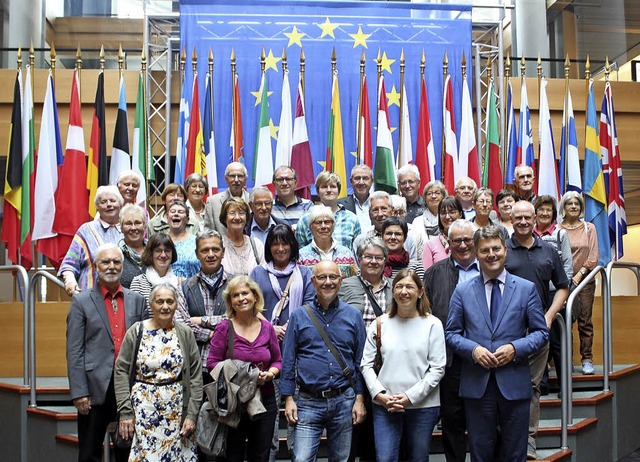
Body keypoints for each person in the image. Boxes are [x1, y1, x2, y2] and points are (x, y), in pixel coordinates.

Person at [445, 226, 549, 462]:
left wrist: (515, 349)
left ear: (505, 251)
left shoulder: (525, 289)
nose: (491, 254)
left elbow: (541, 333)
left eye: (496, 248)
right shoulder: (462, 291)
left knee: (515, 454)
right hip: (477, 386)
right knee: (481, 454)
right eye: (484, 250)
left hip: (514, 383)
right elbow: (451, 333)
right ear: (476, 253)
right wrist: (473, 350)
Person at [66, 243, 147, 462]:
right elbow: (74, 350)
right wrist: (79, 391)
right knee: (90, 453)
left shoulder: (137, 300)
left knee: (127, 451)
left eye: (116, 262)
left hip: (129, 388)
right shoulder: (81, 302)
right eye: (105, 262)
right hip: (94, 389)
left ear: (122, 266)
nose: (111, 266)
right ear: (95, 266)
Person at [281, 261, 367, 462]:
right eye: (322, 277)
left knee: (341, 459)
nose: (327, 282)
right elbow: (288, 359)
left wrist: (360, 398)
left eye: (333, 277)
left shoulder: (353, 316)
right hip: (308, 401)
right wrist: (288, 398)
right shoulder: (298, 316)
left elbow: (360, 361)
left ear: (341, 280)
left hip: (344, 400)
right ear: (313, 281)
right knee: (301, 459)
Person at [506, 200, 569, 460]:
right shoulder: (502, 249)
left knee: (532, 387)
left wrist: (550, 315)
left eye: (527, 217)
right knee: (503, 386)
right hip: (505, 330)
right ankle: (506, 437)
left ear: (535, 219)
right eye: (517, 217)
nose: (522, 222)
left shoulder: (549, 250)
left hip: (537, 332)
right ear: (510, 218)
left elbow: (563, 286)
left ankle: (529, 440)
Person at [361, 269, 446, 462]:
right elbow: (365, 365)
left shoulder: (433, 324)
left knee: (418, 457)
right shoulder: (380, 323)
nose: (404, 291)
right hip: (386, 405)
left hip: (423, 406)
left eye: (409, 286)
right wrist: (380, 395)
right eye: (399, 286)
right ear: (393, 291)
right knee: (385, 458)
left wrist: (410, 397)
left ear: (420, 292)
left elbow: (438, 368)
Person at [115, 283, 202, 461]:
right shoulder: (136, 331)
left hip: (177, 411)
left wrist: (192, 414)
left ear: (176, 304)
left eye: (170, 301)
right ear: (151, 304)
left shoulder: (185, 333)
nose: (165, 306)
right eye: (159, 301)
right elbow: (121, 371)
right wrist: (125, 412)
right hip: (143, 411)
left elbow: (195, 376)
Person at [207, 276, 282, 462]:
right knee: (232, 454)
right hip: (234, 401)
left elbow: (278, 361)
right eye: (235, 295)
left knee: (261, 454)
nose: (241, 298)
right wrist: (241, 373)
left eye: (245, 293)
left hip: (264, 399)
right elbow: (212, 363)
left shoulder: (267, 328)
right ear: (230, 301)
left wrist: (270, 374)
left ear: (255, 296)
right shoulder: (224, 328)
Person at [423, 219, 479, 462]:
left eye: (468, 240)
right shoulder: (434, 273)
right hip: (449, 361)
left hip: (483, 359)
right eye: (457, 240)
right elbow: (425, 315)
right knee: (452, 421)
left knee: (483, 423)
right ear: (448, 243)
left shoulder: (490, 268)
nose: (463, 245)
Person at [338, 237, 392, 462]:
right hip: (354, 366)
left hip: (386, 368)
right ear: (359, 260)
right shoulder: (346, 285)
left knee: (377, 431)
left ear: (385, 261)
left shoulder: (395, 286)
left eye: (378, 257)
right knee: (351, 430)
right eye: (368, 257)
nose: (373, 261)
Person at [174, 230, 231, 380]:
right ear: (197, 254)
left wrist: (201, 320)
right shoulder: (185, 287)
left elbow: (238, 320)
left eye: (215, 249)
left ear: (223, 252)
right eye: (205, 250)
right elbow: (181, 325)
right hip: (194, 367)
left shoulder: (236, 285)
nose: (211, 254)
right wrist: (213, 334)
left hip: (229, 365)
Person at [533, 195, 574, 393]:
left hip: (554, 294)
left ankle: (564, 384)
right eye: (541, 209)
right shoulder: (529, 234)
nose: (544, 213)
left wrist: (562, 293)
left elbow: (567, 265)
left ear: (554, 213)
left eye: (548, 210)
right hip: (535, 295)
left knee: (558, 342)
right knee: (540, 340)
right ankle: (543, 383)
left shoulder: (560, 234)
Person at [559, 191, 599, 375]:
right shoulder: (558, 228)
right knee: (566, 321)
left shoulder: (588, 227)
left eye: (577, 203)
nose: (574, 206)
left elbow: (593, 258)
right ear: (564, 208)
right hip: (562, 282)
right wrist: (566, 279)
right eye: (570, 204)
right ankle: (567, 361)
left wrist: (578, 276)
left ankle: (587, 359)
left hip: (584, 282)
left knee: (584, 321)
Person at [250, 224, 316, 335]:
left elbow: (309, 306)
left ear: (292, 246)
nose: (280, 249)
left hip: (298, 336)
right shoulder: (257, 273)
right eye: (275, 244)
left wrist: (289, 326)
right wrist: (270, 329)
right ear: (269, 247)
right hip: (263, 338)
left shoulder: (304, 273)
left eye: (285, 244)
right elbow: (250, 306)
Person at [59, 185, 125, 295]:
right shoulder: (86, 230)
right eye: (103, 202)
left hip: (123, 299)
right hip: (90, 299)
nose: (109, 204)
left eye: (113, 201)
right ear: (97, 207)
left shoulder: (129, 229)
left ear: (120, 204)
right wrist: (70, 281)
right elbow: (69, 264)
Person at [295, 171, 361, 250]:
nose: (329, 190)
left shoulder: (352, 218)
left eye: (333, 186)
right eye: (324, 187)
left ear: (339, 191)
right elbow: (299, 252)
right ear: (317, 192)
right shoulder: (305, 219)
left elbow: (358, 251)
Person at [298, 205, 358, 278]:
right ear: (311, 227)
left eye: (327, 222)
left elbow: (355, 280)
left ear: (333, 226)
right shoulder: (301, 256)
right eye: (318, 223)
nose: (323, 226)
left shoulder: (347, 253)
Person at [130, 233, 180, 306]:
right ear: (151, 254)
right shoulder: (138, 283)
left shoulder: (180, 282)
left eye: (167, 251)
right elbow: (135, 314)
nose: (163, 255)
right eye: (158, 251)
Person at [220, 197, 265, 275]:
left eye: (241, 213)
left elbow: (263, 276)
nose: (237, 217)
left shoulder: (257, 245)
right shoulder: (218, 245)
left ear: (246, 217)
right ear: (224, 218)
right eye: (232, 213)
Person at [204, 162, 250, 233]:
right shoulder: (213, 202)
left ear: (245, 179)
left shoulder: (252, 200)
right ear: (226, 179)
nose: (236, 180)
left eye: (240, 176)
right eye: (232, 176)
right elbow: (208, 233)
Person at [422, 196, 464, 271]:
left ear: (460, 214)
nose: (447, 217)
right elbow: (428, 277)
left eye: (452, 212)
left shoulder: (469, 241)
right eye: (443, 213)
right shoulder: (430, 245)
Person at [411, 180, 447, 256]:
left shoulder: (449, 219)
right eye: (429, 193)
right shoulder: (417, 222)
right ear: (425, 198)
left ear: (444, 196)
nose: (433, 196)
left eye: (437, 193)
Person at [166, 200, 201, 279]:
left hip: (193, 288)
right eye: (173, 211)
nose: (176, 214)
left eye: (181, 212)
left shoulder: (197, 242)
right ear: (167, 217)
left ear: (187, 219)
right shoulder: (160, 242)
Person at [271, 165, 313, 230]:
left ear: (295, 183)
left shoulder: (307, 205)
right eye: (280, 179)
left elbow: (309, 231)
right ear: (274, 184)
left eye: (288, 179)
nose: (284, 183)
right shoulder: (268, 206)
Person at [118, 204, 147, 289]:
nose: (133, 228)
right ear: (121, 228)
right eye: (128, 224)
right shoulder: (116, 255)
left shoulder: (155, 252)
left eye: (138, 223)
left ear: (144, 225)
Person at [338, 164, 375, 230]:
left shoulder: (378, 204)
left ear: (372, 181)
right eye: (357, 178)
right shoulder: (340, 205)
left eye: (365, 178)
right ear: (351, 181)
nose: (361, 182)